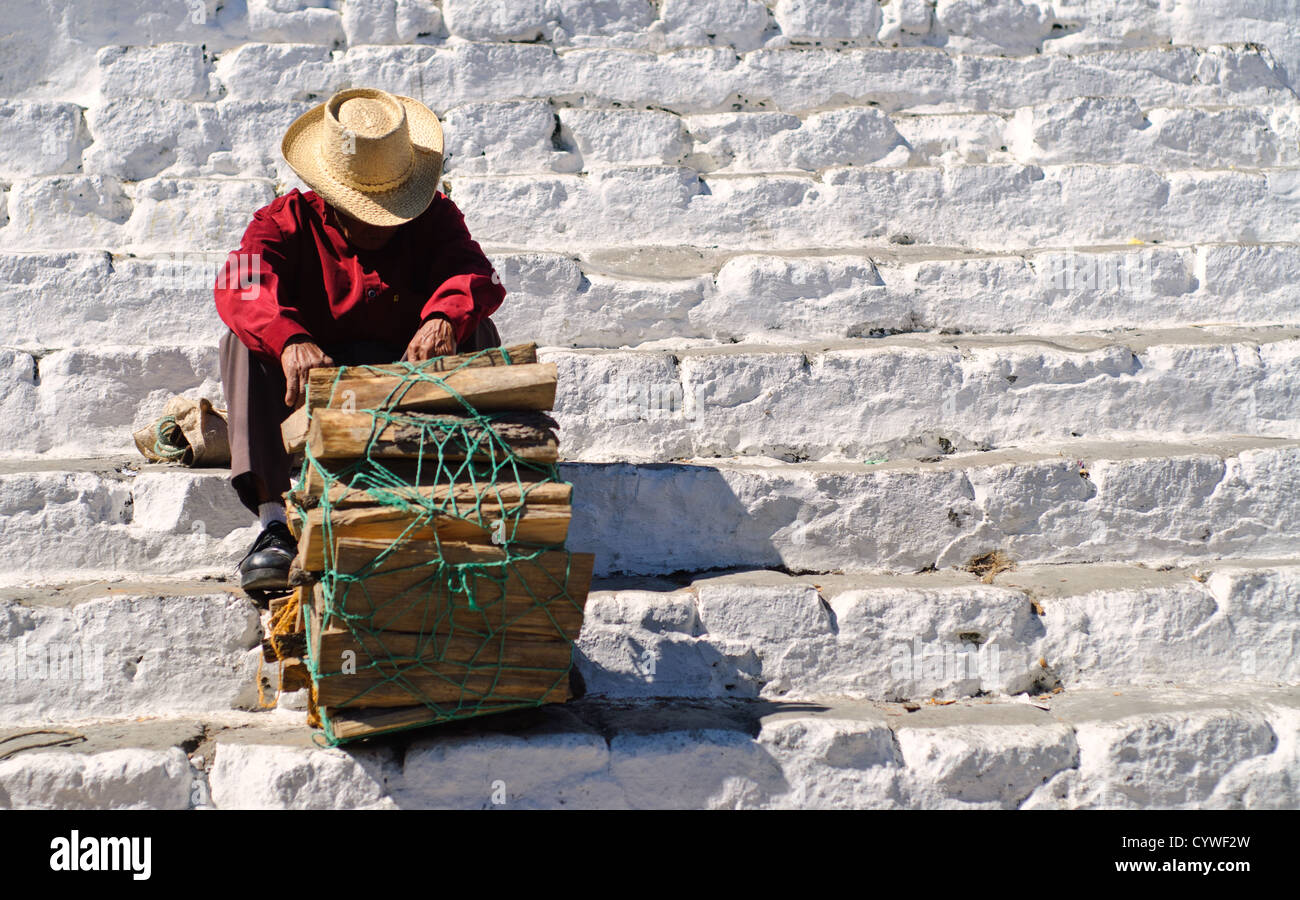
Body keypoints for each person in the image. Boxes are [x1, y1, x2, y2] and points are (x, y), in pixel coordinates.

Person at [214, 88, 506, 592]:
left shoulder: (438, 217)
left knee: (475, 324)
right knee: (240, 342)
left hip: (408, 387)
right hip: (309, 391)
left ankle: (466, 500)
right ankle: (274, 523)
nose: (375, 223)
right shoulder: (277, 221)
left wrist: (443, 318)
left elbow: (474, 272)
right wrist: (288, 340)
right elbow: (239, 282)